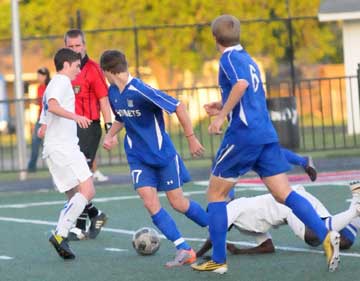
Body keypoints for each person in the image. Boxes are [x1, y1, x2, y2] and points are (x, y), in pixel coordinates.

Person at [191, 14, 340, 274]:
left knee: (216, 194)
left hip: (243, 136)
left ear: (215, 37)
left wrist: (223, 115)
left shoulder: (227, 58)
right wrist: (223, 104)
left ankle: (218, 260)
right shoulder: (247, 58)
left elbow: (241, 85)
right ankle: (325, 234)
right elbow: (248, 92)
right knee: (284, 194)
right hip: (264, 133)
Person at [100, 49, 208, 268]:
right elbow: (121, 118)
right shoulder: (113, 92)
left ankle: (217, 227)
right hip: (138, 157)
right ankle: (184, 248)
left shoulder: (141, 90)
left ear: (107, 71)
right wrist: (110, 135)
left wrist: (191, 138)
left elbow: (178, 106)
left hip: (162, 155)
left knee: (178, 202)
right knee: (150, 202)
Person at [196, 183, 360, 258]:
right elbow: (268, 247)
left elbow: (215, 234)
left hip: (290, 205)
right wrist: (240, 251)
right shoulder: (242, 220)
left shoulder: (231, 207)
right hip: (295, 198)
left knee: (314, 236)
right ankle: (355, 217)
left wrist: (197, 255)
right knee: (343, 241)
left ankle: (356, 207)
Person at [37, 48, 95, 259]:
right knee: (87, 190)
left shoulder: (53, 84)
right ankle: (61, 234)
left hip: (55, 147)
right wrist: (75, 116)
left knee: (74, 195)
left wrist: (43, 126)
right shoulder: (61, 82)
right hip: (64, 147)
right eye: (77, 66)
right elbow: (52, 106)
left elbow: (45, 114)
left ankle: (62, 235)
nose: (79, 70)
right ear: (67, 64)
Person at [64, 29, 111, 240]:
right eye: (71, 46)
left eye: (78, 45)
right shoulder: (63, 69)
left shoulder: (92, 69)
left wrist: (110, 129)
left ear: (84, 46)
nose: (75, 49)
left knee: (80, 177)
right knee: (71, 178)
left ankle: (80, 226)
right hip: (69, 128)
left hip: (89, 128)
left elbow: (103, 99)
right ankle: (95, 214)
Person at [27, 67, 50, 173]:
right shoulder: (39, 88)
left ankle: (55, 166)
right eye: (38, 75)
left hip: (50, 119)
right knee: (35, 142)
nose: (39, 78)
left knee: (51, 144)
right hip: (40, 118)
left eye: (41, 75)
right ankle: (31, 167)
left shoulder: (50, 86)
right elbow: (39, 102)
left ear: (46, 76)